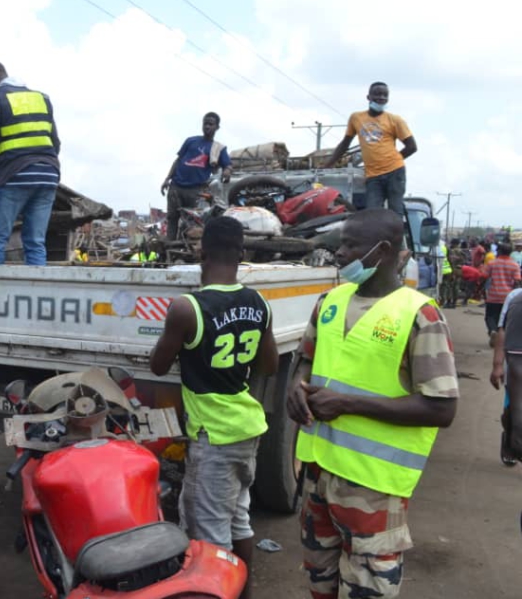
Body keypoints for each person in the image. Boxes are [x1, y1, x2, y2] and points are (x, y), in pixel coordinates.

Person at [287, 209, 457, 599]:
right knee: (320, 582)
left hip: (374, 488)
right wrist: (296, 387)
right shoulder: (329, 301)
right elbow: (305, 361)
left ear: (381, 251)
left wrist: (348, 404)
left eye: (349, 245)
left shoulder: (420, 315)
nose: (339, 253)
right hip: (318, 475)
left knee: (367, 589)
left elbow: (442, 409)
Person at [150, 216, 279, 599]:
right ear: (242, 254)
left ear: (201, 253)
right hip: (247, 429)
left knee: (209, 541)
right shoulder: (258, 303)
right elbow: (269, 366)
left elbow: (158, 365)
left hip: (214, 437)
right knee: (240, 521)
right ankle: (245, 594)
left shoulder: (186, 308)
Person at [0, 61, 61, 266]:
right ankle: (35, 293)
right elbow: (56, 143)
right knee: (35, 242)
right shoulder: (42, 99)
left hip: (14, 176)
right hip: (48, 175)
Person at [325, 82, 417, 215]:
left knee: (395, 211)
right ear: (368, 97)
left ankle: (394, 236)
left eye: (385, 95)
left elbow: (412, 147)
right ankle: (377, 237)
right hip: (373, 176)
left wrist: (392, 161)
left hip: (395, 173)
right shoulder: (356, 118)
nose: (381, 98)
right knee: (373, 213)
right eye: (377, 94)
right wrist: (329, 164)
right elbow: (345, 143)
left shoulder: (395, 120)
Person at [161, 113, 232, 242]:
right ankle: (169, 250)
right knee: (172, 219)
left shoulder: (218, 148)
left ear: (217, 127)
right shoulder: (190, 141)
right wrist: (167, 179)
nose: (207, 126)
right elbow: (178, 160)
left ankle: (186, 252)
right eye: (205, 123)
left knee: (192, 225)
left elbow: (228, 166)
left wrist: (227, 172)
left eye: (211, 124)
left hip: (196, 191)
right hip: (176, 187)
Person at [491, 287, 522, 466]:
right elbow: (502, 330)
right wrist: (497, 365)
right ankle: (511, 440)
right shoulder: (515, 296)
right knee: (513, 410)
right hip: (517, 361)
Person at [481, 243, 521, 347]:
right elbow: (517, 281)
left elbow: (484, 276)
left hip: (493, 295)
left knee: (490, 316)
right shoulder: (514, 265)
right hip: (508, 297)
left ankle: (492, 331)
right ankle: (501, 337)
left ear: (499, 251)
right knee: (503, 318)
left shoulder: (492, 264)